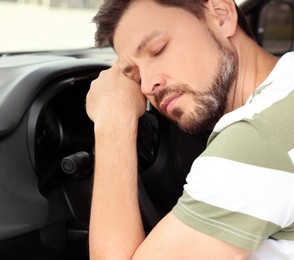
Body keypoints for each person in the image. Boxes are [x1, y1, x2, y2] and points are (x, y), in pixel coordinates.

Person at [85, 0, 294, 259]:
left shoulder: (256, 138)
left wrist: (113, 121)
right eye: (136, 76)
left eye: (158, 49)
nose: (149, 85)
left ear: (220, 15)